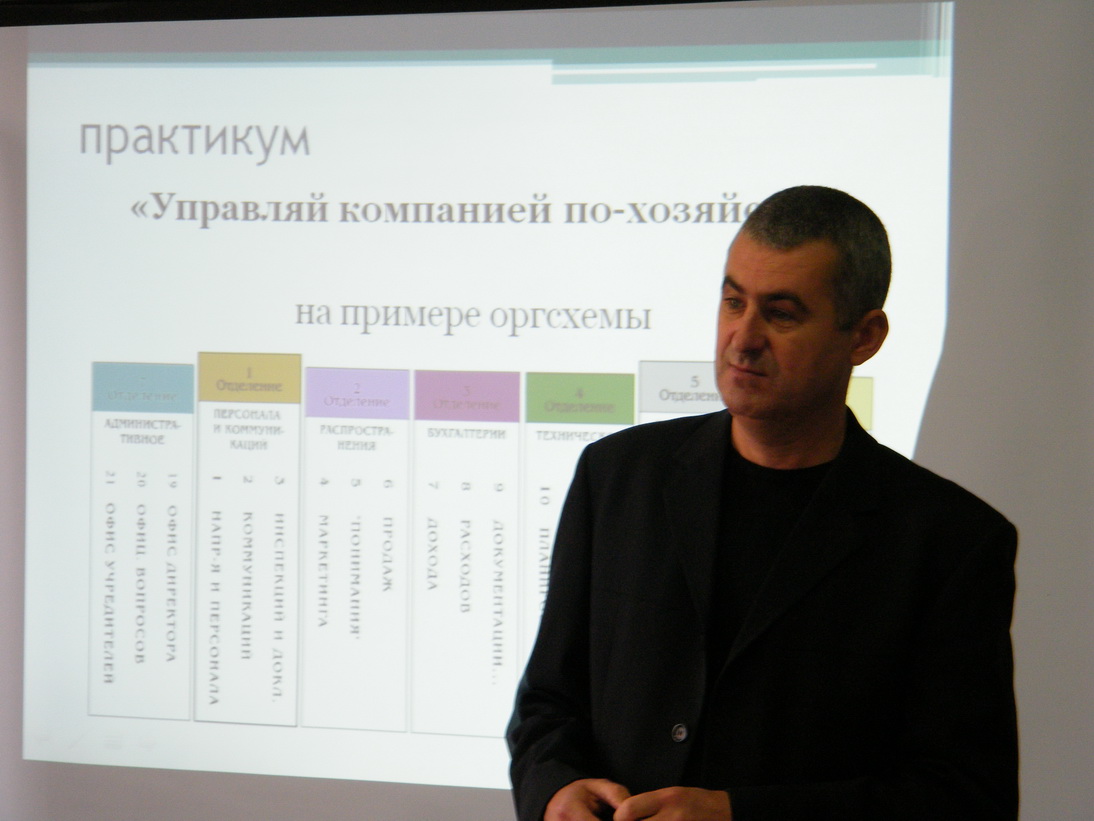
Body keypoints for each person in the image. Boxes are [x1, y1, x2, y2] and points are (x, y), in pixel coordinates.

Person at [507, 186, 1018, 821]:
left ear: (864, 336)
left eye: (780, 314)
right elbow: (547, 703)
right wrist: (555, 788)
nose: (742, 339)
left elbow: (967, 797)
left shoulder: (949, 542)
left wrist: (737, 815)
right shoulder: (615, 476)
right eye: (733, 302)